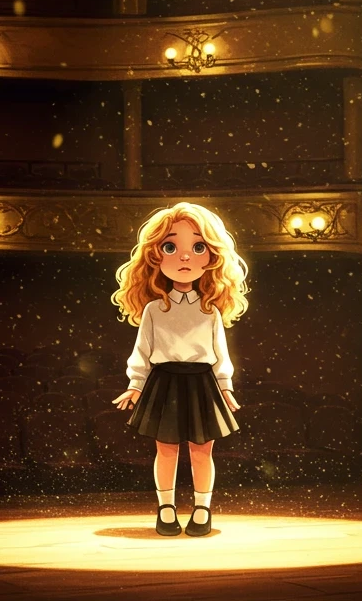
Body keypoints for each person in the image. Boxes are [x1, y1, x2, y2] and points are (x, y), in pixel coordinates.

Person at [110, 202, 249, 537]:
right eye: (171, 247)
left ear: (211, 256)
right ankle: (166, 508)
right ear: (156, 255)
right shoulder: (155, 309)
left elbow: (220, 354)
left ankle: (203, 509)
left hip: (202, 383)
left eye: (197, 247)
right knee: (166, 450)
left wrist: (226, 387)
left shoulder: (210, 310)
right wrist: (135, 384)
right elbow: (142, 351)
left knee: (203, 452)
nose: (185, 257)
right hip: (165, 381)